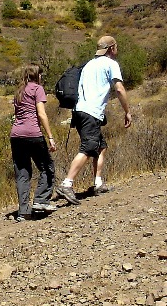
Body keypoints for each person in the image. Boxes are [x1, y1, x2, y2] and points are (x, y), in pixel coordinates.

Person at [55, 35, 132, 204]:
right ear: (112, 48)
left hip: (80, 111)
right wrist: (127, 111)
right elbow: (119, 89)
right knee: (88, 147)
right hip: (91, 112)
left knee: (100, 147)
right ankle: (66, 184)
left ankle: (98, 184)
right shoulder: (111, 64)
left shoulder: (88, 64)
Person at [9, 64, 59, 221]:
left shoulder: (19, 91)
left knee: (22, 172)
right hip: (33, 134)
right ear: (37, 76)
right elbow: (41, 114)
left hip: (16, 135)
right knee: (47, 168)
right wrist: (50, 136)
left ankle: (23, 210)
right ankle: (41, 200)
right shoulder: (37, 89)